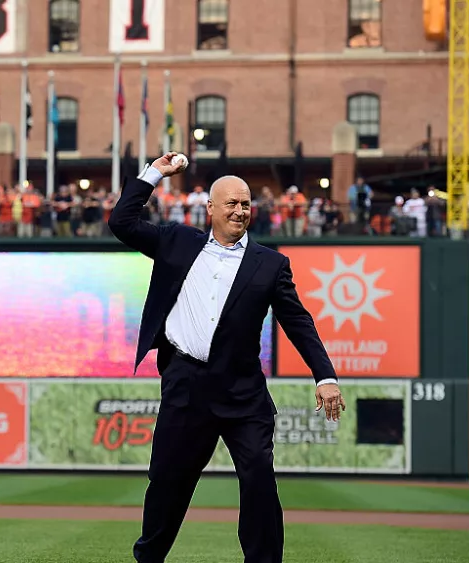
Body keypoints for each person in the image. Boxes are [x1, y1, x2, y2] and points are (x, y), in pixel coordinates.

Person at [108, 153, 345, 563]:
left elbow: (298, 322)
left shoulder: (271, 264)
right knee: (167, 484)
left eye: (246, 204)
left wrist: (324, 376)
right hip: (185, 385)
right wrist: (155, 174)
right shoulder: (177, 242)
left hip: (243, 393)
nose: (240, 210)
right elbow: (121, 223)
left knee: (259, 481)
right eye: (231, 203)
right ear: (210, 208)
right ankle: (148, 559)